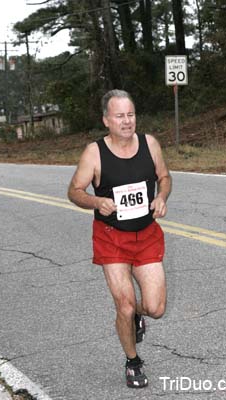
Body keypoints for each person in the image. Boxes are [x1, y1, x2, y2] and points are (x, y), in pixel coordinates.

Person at [68, 89, 172, 388]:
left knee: (155, 308)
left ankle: (138, 316)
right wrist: (96, 202)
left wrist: (162, 196)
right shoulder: (94, 152)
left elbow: (164, 176)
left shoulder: (150, 144)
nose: (127, 121)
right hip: (111, 237)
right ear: (106, 120)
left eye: (131, 115)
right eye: (120, 116)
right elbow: (74, 191)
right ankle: (133, 361)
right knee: (124, 305)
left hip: (147, 235)